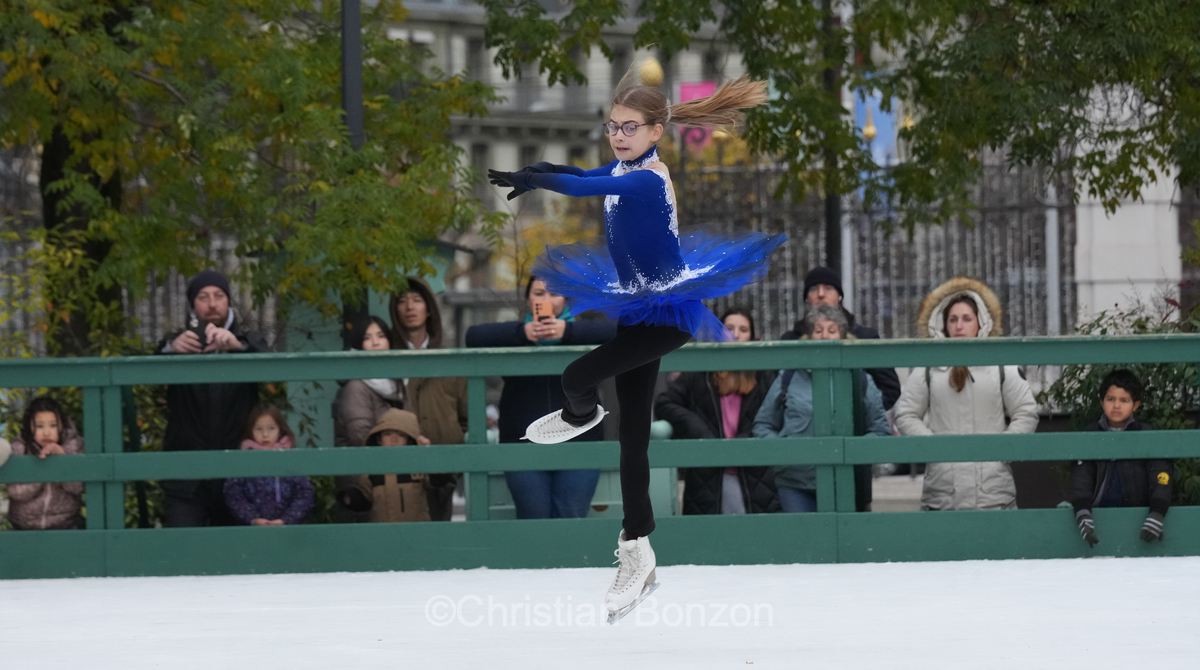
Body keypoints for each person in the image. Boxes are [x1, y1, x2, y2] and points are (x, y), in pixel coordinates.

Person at [487, 73, 786, 620]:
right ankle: (638, 550)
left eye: (629, 128)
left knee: (578, 378)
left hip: (667, 314)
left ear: (655, 132)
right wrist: (541, 174)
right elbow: (581, 175)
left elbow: (583, 189)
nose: (618, 136)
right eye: (612, 126)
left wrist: (542, 176)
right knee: (632, 440)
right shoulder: (623, 168)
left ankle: (581, 411)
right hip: (634, 304)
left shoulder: (647, 179)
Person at [464, 276, 616, 519]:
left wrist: (568, 332)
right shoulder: (515, 335)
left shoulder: (583, 334)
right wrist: (523, 333)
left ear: (566, 299)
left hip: (580, 441)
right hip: (522, 441)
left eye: (554, 294)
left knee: (571, 517)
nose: (546, 300)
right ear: (527, 299)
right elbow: (473, 336)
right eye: (538, 293)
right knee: (532, 516)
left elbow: (619, 333)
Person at [893, 277, 1039, 511]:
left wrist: (1003, 449)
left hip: (992, 494)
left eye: (966, 319)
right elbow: (906, 413)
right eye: (953, 319)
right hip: (943, 493)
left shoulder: (1001, 366)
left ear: (981, 322)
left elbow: (1026, 412)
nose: (959, 325)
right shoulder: (928, 368)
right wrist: (933, 447)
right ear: (943, 324)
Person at [782, 266, 902, 512]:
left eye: (828, 288)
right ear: (807, 298)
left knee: (853, 533)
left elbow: (890, 388)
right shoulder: (790, 340)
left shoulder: (866, 337)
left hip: (852, 454)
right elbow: (776, 394)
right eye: (814, 289)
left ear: (840, 296)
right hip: (801, 459)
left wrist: (857, 413)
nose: (821, 294)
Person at [156, 270, 268, 527]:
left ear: (228, 301)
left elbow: (274, 366)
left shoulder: (249, 341)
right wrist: (170, 351)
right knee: (182, 557)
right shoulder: (177, 343)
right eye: (203, 297)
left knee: (238, 558)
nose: (212, 303)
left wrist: (239, 348)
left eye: (219, 296)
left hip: (240, 476)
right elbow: (143, 369)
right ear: (193, 304)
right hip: (185, 477)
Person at [753, 305, 890, 512]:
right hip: (794, 484)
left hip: (844, 483)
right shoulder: (789, 377)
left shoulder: (860, 380)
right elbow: (763, 425)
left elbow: (880, 430)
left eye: (832, 330)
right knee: (801, 542)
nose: (824, 336)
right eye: (818, 330)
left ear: (843, 337)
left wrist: (853, 452)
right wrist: (783, 452)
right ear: (809, 337)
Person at [655, 307, 780, 515]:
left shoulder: (763, 373)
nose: (736, 334)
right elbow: (664, 403)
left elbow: (775, 414)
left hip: (754, 474)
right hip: (708, 475)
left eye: (743, 329)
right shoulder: (700, 371)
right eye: (728, 328)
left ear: (751, 336)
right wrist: (697, 427)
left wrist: (743, 442)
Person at [389, 277, 467, 522]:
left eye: (416, 300)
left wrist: (452, 446)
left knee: (441, 542)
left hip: (443, 468)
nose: (409, 307)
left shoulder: (450, 360)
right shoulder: (387, 358)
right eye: (402, 301)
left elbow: (467, 417)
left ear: (429, 309)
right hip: (398, 469)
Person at [1070, 369, 1172, 547]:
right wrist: (1083, 513)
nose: (1116, 406)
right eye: (1111, 399)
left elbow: (1161, 473)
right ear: (1102, 402)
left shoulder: (1146, 435)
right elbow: (1081, 478)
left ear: (1136, 405)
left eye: (1124, 400)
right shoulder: (1090, 435)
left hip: (1139, 515)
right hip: (1099, 513)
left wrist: (1157, 512)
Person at [223, 405, 314, 526]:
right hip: (252, 533)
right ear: (250, 431)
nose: (265, 434)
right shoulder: (244, 461)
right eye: (258, 429)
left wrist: (286, 520)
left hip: (288, 533)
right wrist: (253, 518)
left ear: (280, 430)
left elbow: (304, 493)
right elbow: (233, 493)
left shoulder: (289, 458)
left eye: (271, 428)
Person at [338, 408, 432, 523]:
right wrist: (351, 498)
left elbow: (436, 480)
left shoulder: (417, 465)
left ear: (410, 441)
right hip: (382, 534)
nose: (393, 439)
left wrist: (428, 455)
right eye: (387, 434)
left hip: (416, 533)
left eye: (401, 435)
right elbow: (365, 495)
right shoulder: (373, 469)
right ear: (379, 440)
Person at [6, 396, 85, 530]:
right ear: (30, 427)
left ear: (62, 425)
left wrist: (61, 460)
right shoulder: (20, 448)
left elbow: (78, 488)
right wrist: (41, 473)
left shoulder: (73, 446)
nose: (46, 432)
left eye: (53, 425)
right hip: (24, 526)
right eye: (40, 426)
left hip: (66, 524)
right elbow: (16, 492)